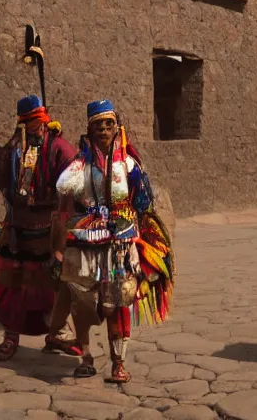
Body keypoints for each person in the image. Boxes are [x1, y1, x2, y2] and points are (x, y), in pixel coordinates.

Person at [50, 100, 175, 382]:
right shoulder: (80, 165)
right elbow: (62, 189)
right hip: (85, 242)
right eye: (98, 125)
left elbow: (143, 202)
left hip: (120, 244)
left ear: (117, 126)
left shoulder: (129, 165)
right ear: (90, 129)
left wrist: (147, 238)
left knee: (119, 302)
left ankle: (118, 362)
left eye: (109, 124)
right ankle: (86, 357)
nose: (104, 130)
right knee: (81, 303)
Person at [0, 95, 79, 361]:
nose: (37, 128)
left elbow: (76, 181)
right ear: (22, 124)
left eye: (39, 122)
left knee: (55, 284)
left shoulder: (60, 149)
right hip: (17, 229)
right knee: (12, 285)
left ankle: (57, 334)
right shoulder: (14, 151)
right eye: (31, 123)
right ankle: (11, 337)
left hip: (51, 230)